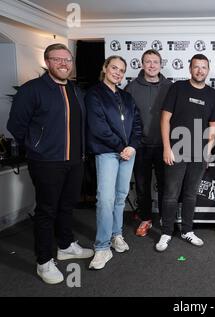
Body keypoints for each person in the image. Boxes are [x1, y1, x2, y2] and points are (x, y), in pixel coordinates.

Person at [7, 43, 93, 284]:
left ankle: (64, 246)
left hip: (75, 161)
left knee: (67, 207)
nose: (64, 64)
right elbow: (16, 126)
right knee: (46, 211)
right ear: (47, 62)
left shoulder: (76, 91)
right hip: (47, 163)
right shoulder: (32, 90)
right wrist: (37, 148)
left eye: (68, 60)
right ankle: (44, 261)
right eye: (58, 59)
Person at [156, 54, 215, 252]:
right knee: (170, 194)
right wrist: (167, 147)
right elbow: (165, 119)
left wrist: (208, 152)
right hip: (176, 151)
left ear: (208, 70)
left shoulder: (212, 94)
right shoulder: (177, 88)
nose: (200, 70)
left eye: (203, 67)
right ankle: (166, 231)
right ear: (190, 68)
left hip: (199, 153)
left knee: (191, 194)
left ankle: (187, 230)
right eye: (196, 67)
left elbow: (212, 127)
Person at [85, 55, 142, 270]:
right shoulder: (94, 94)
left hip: (128, 153)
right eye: (114, 68)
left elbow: (137, 124)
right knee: (106, 200)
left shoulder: (127, 97)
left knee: (120, 198)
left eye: (121, 70)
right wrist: (121, 147)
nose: (117, 73)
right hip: (108, 153)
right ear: (105, 68)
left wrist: (132, 146)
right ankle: (101, 247)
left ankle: (116, 235)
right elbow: (98, 127)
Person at [125, 49, 172, 237]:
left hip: (163, 145)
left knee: (165, 185)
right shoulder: (131, 87)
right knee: (143, 186)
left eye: (155, 62)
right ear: (142, 64)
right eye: (148, 61)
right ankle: (145, 218)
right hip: (140, 146)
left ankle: (163, 218)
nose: (152, 65)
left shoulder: (170, 87)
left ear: (161, 65)